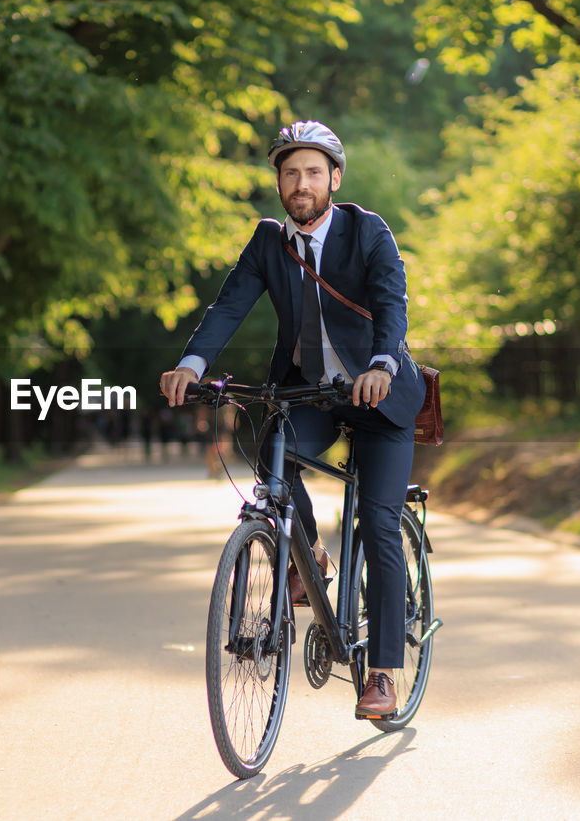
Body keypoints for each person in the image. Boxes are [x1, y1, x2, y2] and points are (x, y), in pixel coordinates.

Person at [159, 121, 425, 720]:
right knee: (272, 454)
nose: (300, 183)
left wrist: (382, 362)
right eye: (289, 173)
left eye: (312, 172)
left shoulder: (366, 230)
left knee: (378, 524)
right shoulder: (268, 242)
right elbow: (228, 305)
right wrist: (192, 363)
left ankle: (381, 672)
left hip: (377, 397)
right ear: (279, 183)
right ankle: (311, 558)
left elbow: (390, 302)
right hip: (310, 393)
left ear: (334, 178)